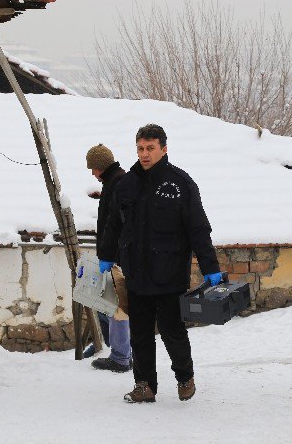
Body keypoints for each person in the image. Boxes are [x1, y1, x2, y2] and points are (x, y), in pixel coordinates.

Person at [98, 124, 222, 403]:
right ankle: (145, 385)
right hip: (137, 274)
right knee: (140, 334)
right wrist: (106, 255)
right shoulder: (127, 184)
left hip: (169, 274)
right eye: (140, 148)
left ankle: (184, 376)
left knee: (172, 331)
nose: (145, 154)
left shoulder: (181, 184)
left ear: (164, 149)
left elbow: (198, 230)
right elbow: (113, 226)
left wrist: (211, 268)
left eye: (150, 148)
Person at [84, 144, 132, 373]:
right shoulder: (114, 182)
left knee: (117, 306)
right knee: (106, 303)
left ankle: (121, 357)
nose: (92, 173)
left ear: (100, 166)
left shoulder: (118, 183)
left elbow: (116, 224)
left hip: (117, 257)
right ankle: (110, 346)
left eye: (92, 168)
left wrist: (109, 255)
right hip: (114, 255)